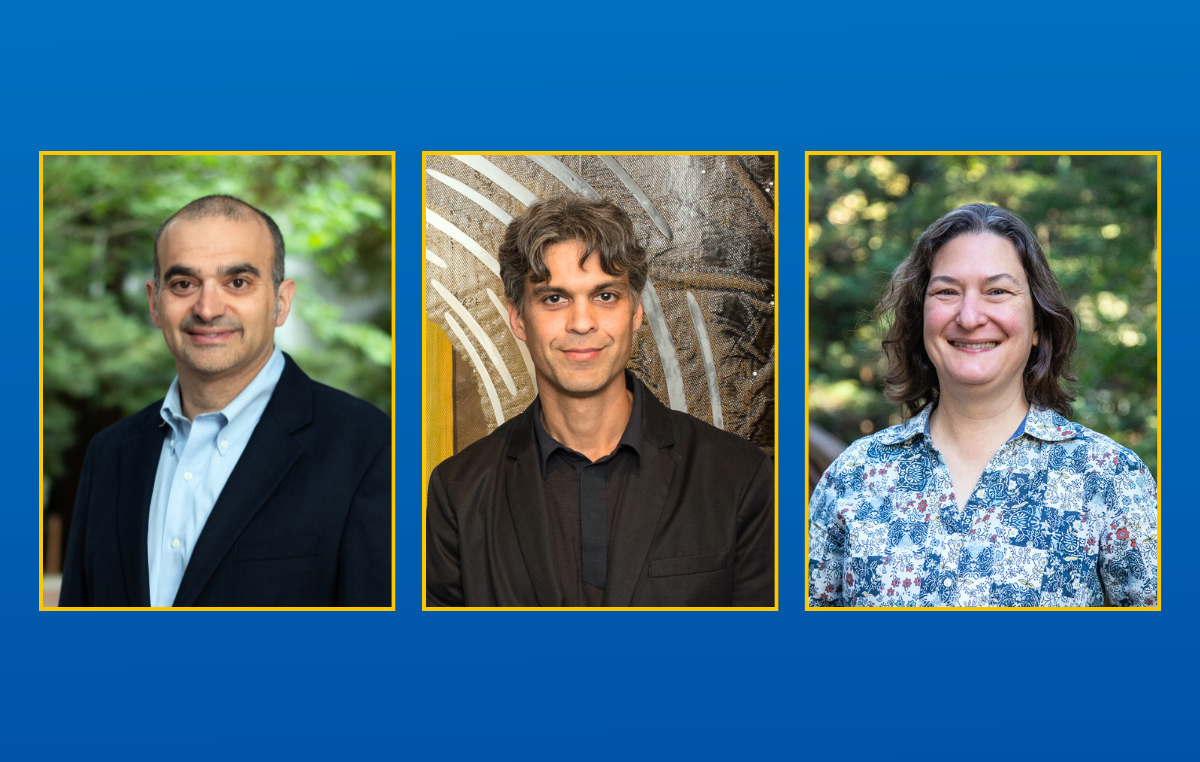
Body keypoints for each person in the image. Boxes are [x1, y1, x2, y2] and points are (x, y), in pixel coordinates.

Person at [425, 197, 774, 607]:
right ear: (518, 318)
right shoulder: (460, 491)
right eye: (554, 298)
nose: (582, 323)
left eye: (605, 296)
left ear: (636, 312)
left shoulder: (737, 476)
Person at [808, 203, 1158, 608]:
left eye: (997, 292)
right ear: (921, 318)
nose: (970, 317)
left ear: (1037, 324)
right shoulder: (853, 476)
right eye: (947, 292)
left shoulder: (1110, 478)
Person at [59, 195, 391, 607]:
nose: (207, 308)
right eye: (184, 284)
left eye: (237, 282)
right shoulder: (109, 455)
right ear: (155, 303)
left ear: (281, 302)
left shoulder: (369, 448)